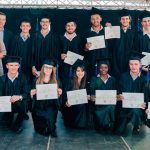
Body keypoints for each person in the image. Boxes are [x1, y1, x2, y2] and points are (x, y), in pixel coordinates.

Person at [115, 51, 146, 135]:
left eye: (136, 64)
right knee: (119, 131)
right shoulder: (123, 76)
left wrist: (144, 103)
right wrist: (119, 95)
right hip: (124, 106)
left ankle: (137, 125)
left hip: (138, 107)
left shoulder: (144, 79)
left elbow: (146, 95)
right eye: (131, 64)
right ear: (129, 65)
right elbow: (118, 90)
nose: (133, 66)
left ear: (140, 65)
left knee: (136, 112)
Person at [30, 58, 62, 137]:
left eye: (50, 68)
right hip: (39, 107)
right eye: (46, 67)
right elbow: (32, 98)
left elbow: (58, 99)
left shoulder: (56, 80)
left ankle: (51, 123)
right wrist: (31, 94)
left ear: (52, 69)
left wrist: (59, 94)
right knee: (41, 129)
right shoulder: (36, 80)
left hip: (51, 107)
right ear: (42, 68)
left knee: (51, 129)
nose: (48, 69)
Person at [0, 56, 29, 133]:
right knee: (5, 123)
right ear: (7, 66)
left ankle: (18, 123)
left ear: (19, 66)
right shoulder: (1, 79)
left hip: (19, 104)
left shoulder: (23, 78)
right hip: (6, 104)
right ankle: (8, 117)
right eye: (11, 65)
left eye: (16, 65)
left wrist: (18, 97)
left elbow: (26, 93)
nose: (13, 67)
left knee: (23, 104)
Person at [59, 17, 84, 106]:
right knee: (65, 86)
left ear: (75, 26)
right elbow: (57, 52)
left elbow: (84, 53)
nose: (70, 27)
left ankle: (76, 107)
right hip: (64, 68)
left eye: (72, 25)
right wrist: (60, 55)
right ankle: (65, 108)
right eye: (68, 26)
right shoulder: (60, 38)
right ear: (65, 27)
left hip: (77, 69)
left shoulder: (80, 38)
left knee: (76, 86)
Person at [90, 58, 116, 132]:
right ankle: (105, 124)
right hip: (98, 103)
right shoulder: (94, 79)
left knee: (109, 107)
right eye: (101, 67)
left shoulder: (112, 80)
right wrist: (92, 96)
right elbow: (91, 91)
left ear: (108, 68)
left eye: (105, 67)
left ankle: (104, 124)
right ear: (98, 68)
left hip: (110, 103)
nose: (103, 69)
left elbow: (115, 93)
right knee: (106, 108)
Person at [83, 7, 109, 81]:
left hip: (105, 62)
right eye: (93, 19)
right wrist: (86, 47)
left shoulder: (107, 31)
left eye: (97, 18)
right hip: (91, 62)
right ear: (90, 20)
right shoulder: (86, 33)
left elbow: (113, 46)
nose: (95, 20)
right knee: (92, 81)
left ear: (101, 19)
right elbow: (84, 50)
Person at [63, 60, 90, 128]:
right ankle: (76, 123)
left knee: (85, 105)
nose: (80, 73)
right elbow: (64, 96)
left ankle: (82, 123)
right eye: (78, 71)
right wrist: (66, 101)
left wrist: (88, 96)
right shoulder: (70, 81)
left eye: (82, 71)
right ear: (75, 71)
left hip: (81, 106)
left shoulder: (86, 82)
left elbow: (88, 94)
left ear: (85, 72)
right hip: (70, 107)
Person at [31, 14, 60, 78]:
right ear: (40, 23)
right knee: (37, 83)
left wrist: (55, 66)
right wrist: (33, 66)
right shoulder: (34, 36)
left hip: (50, 66)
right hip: (37, 65)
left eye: (46, 22)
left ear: (49, 23)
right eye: (43, 22)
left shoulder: (54, 37)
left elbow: (56, 53)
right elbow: (31, 52)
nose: (45, 23)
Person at [110, 9, 136, 79]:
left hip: (130, 59)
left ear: (129, 19)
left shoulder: (134, 32)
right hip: (117, 59)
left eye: (127, 19)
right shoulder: (114, 31)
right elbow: (110, 45)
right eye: (123, 19)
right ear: (120, 20)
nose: (125, 21)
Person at [10, 17, 33, 84]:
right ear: (20, 27)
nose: (25, 27)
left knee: (29, 82)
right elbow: (12, 53)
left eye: (27, 26)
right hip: (17, 66)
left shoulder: (33, 39)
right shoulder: (15, 38)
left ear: (30, 27)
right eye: (23, 26)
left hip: (29, 66)